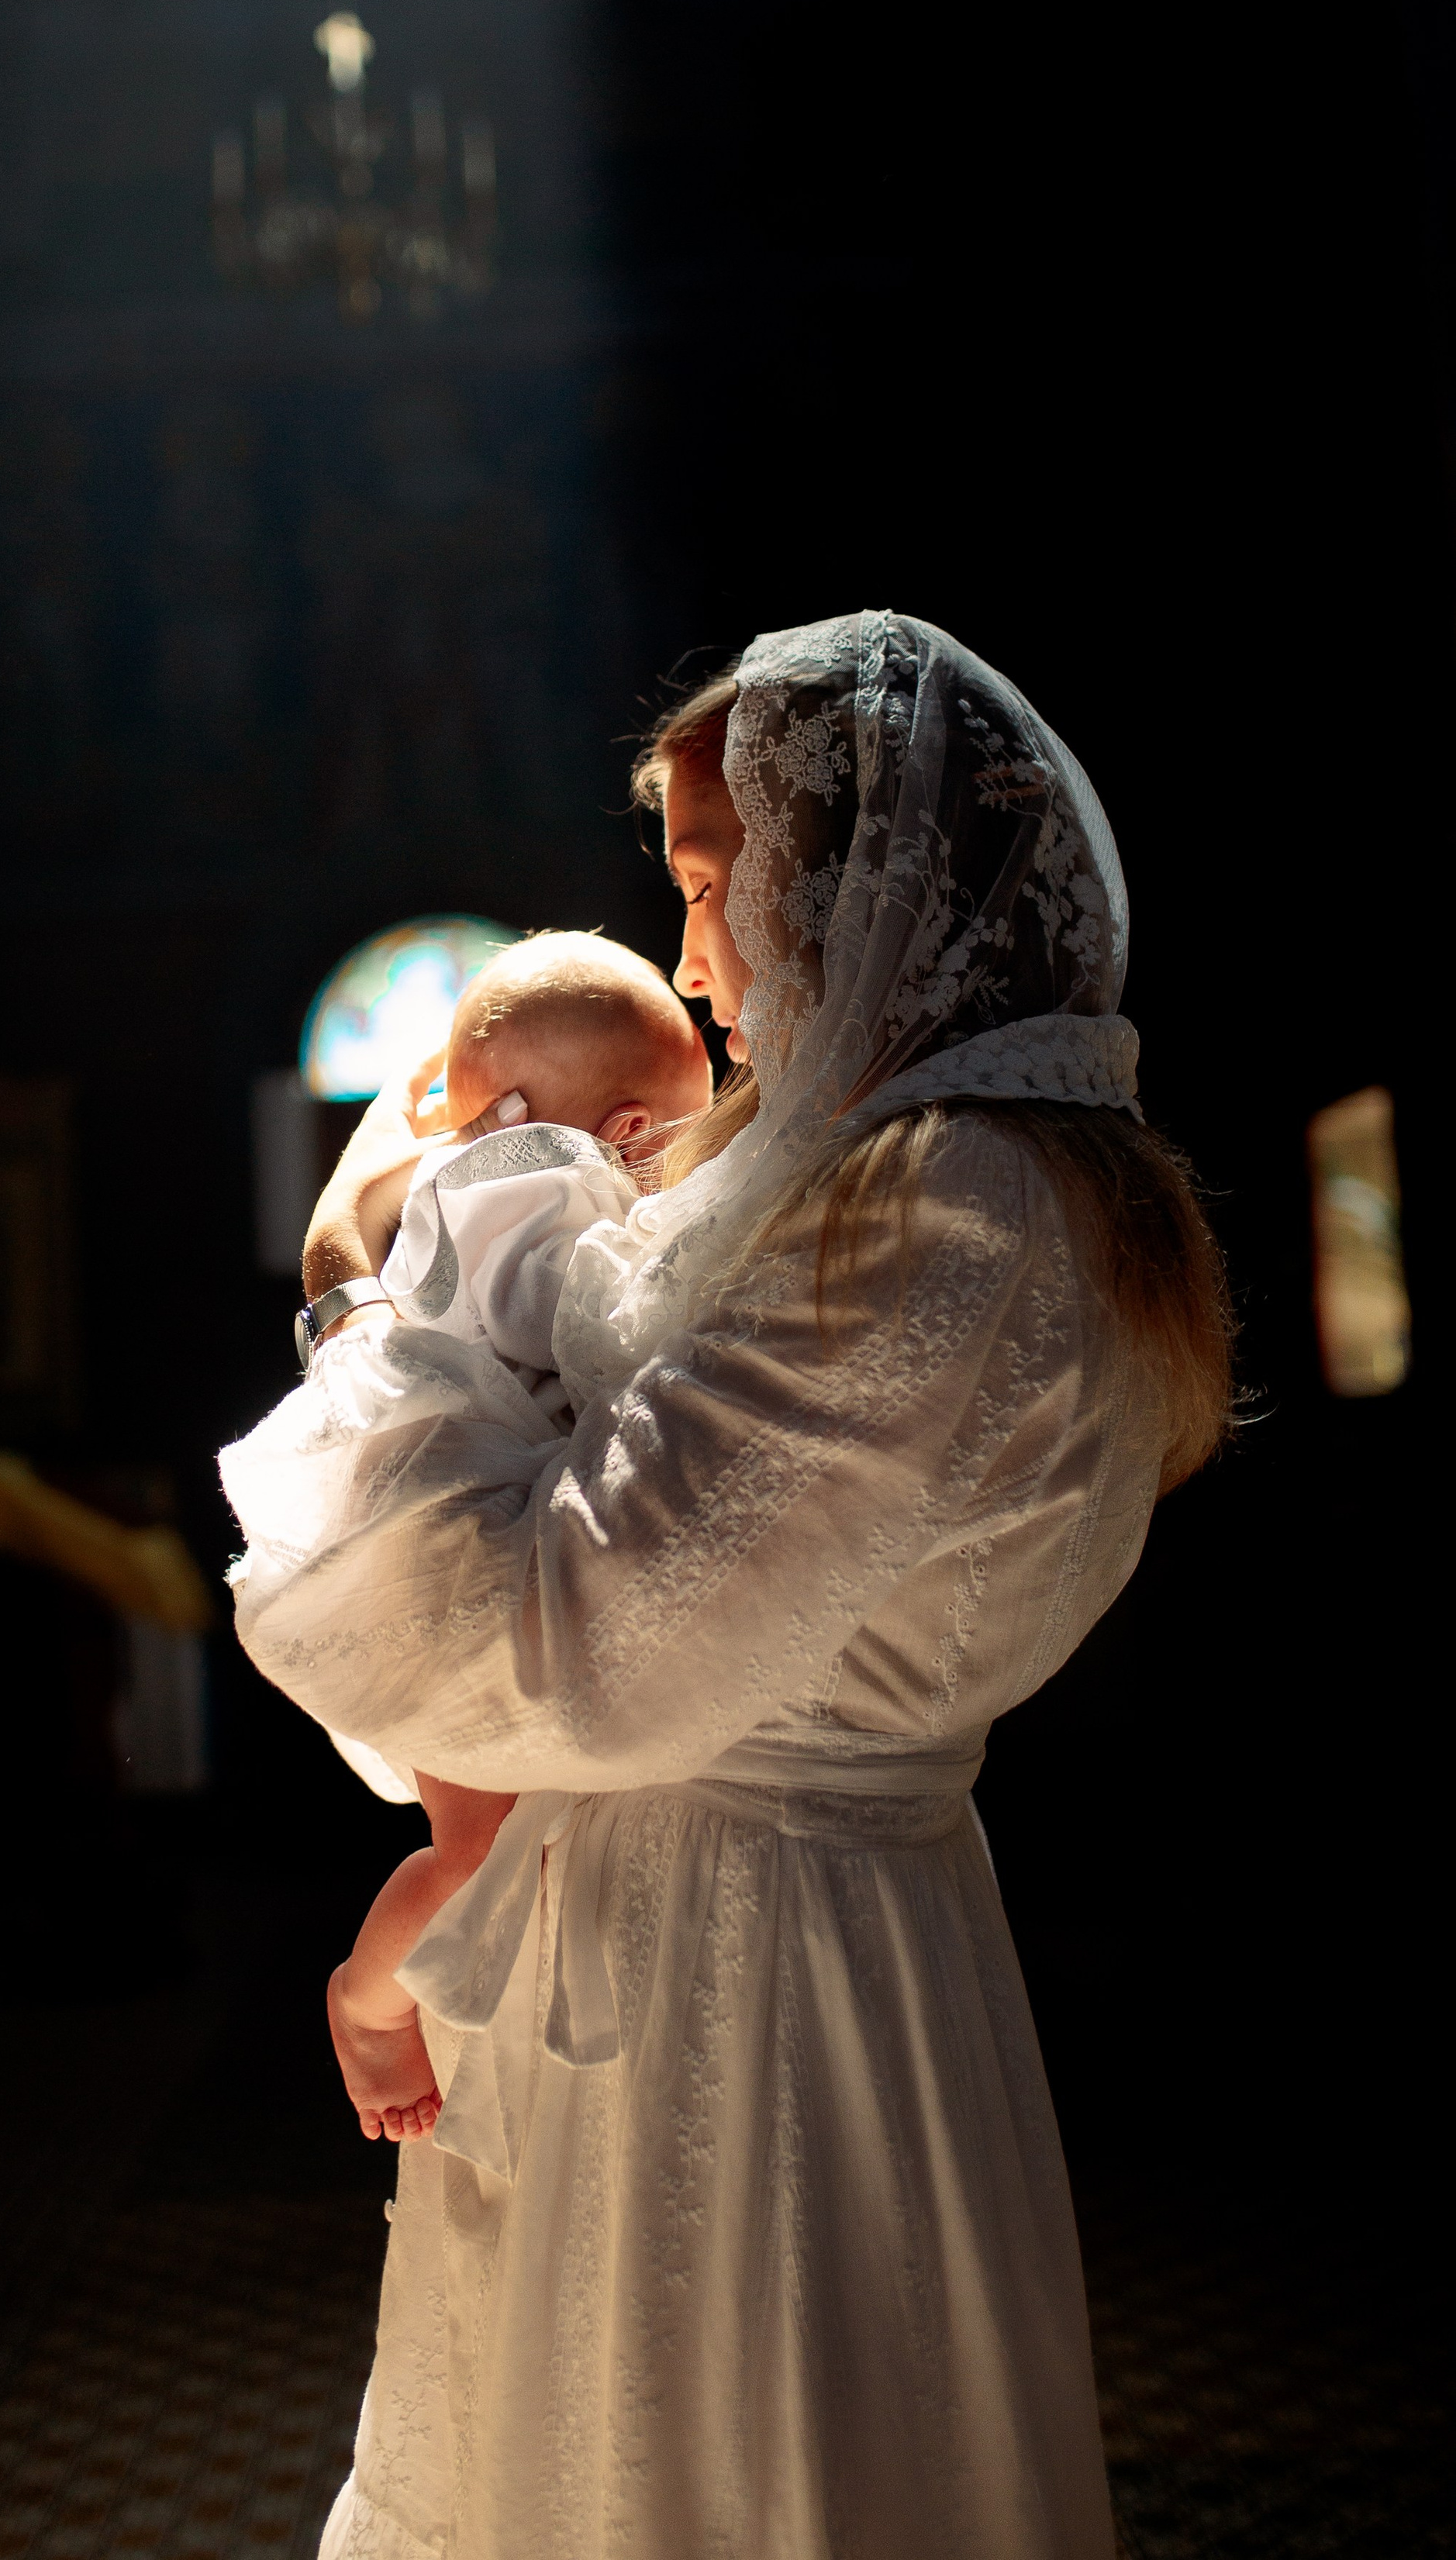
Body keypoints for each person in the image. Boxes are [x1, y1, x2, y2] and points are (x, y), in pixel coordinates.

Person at [222, 612, 1233, 2560]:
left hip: (751, 1991)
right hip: (673, 1930)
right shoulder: (847, 1169)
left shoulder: (955, 1206)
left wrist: (355, 1296)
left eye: (710, 884)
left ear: (857, 888)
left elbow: (567, 1649)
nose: (690, 961)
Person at [323, 933, 712, 2145]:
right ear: (632, 1130)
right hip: (450, 1574)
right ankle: (367, 2004)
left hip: (456, 1562)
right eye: (686, 1133)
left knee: (509, 1841)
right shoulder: (543, 1194)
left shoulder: (465, 1185)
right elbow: (587, 1339)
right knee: (479, 1848)